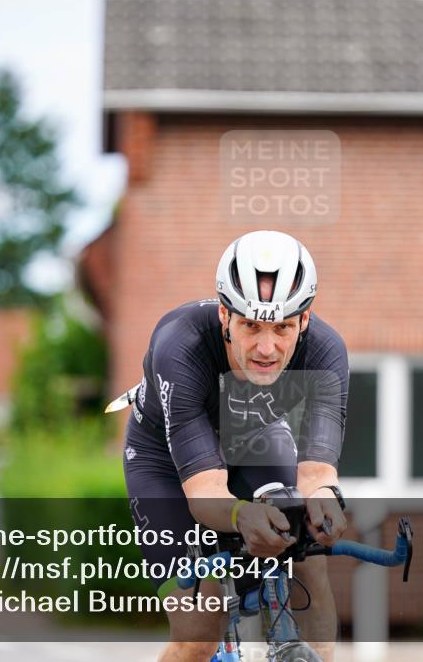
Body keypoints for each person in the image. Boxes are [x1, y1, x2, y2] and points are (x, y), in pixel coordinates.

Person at [120, 230, 350, 662]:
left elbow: (318, 474)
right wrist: (241, 515)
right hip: (166, 463)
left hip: (253, 439)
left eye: (283, 327)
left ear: (304, 320)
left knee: (309, 558)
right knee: (197, 633)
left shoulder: (325, 351)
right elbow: (206, 493)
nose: (267, 348)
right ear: (225, 316)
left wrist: (323, 507)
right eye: (250, 326)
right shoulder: (180, 343)